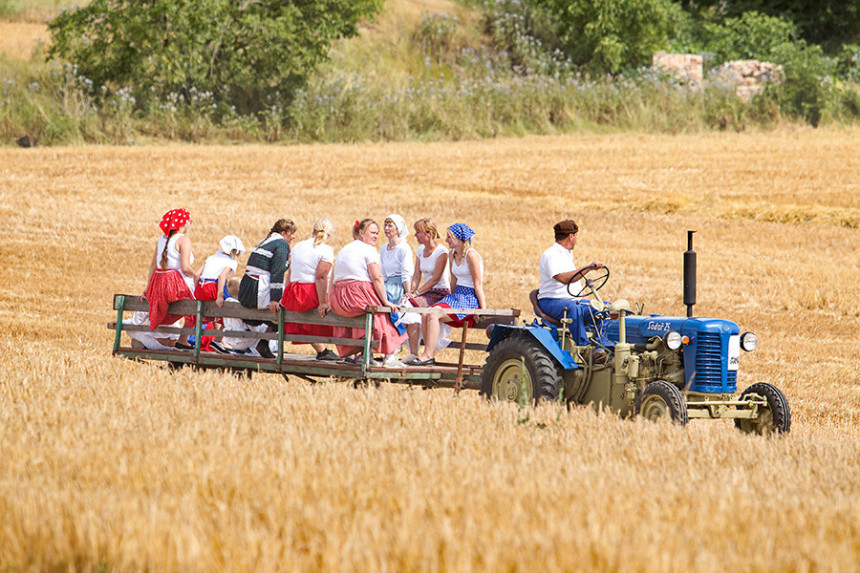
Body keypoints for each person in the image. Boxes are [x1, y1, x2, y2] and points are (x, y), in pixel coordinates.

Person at [329, 218, 407, 366]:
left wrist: (328, 302)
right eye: (372, 233)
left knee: (367, 315)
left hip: (339, 298)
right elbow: (377, 277)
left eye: (377, 233)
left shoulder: (344, 249)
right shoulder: (369, 250)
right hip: (357, 294)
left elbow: (333, 277)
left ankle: (364, 354)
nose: (376, 236)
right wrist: (386, 301)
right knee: (383, 312)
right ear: (361, 233)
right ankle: (390, 355)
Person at [406, 223, 485, 366]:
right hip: (456, 296)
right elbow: (453, 281)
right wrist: (449, 300)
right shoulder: (452, 254)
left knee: (434, 314)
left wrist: (482, 309)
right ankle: (426, 354)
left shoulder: (471, 255)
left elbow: (478, 284)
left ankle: (428, 355)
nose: (446, 240)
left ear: (459, 238)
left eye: (450, 237)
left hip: (469, 298)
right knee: (426, 313)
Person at [537, 219, 607, 347]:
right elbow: (564, 279)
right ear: (571, 236)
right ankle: (584, 346)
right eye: (575, 236)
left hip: (572, 300)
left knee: (605, 309)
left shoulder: (566, 254)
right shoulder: (551, 255)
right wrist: (588, 268)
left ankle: (604, 346)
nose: (576, 239)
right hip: (551, 301)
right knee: (573, 309)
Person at [280, 217, 340, 361]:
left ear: (312, 230)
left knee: (305, 320)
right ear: (329, 235)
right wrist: (323, 302)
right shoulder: (326, 250)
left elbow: (290, 273)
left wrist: (286, 296)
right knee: (338, 310)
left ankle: (322, 351)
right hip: (309, 293)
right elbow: (320, 277)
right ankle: (350, 352)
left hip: (294, 292)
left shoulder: (297, 247)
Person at [143, 208, 199, 347]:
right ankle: (183, 339)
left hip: (159, 283)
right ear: (182, 223)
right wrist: (198, 276)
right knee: (198, 302)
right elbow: (185, 268)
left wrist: (148, 287)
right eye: (189, 221)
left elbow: (153, 267)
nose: (189, 224)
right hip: (175, 284)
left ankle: (168, 339)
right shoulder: (183, 240)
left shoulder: (161, 240)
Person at [404, 217, 451, 358]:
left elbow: (436, 278)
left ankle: (424, 353)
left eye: (418, 232)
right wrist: (411, 292)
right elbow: (417, 275)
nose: (415, 235)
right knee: (405, 303)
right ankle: (412, 351)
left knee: (416, 308)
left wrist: (417, 293)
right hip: (426, 291)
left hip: (439, 292)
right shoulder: (420, 251)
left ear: (429, 234)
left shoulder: (441, 252)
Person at [193, 235, 246, 352]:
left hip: (200, 288)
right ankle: (218, 340)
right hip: (213, 287)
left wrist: (197, 291)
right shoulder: (231, 262)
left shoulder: (211, 258)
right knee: (227, 308)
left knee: (215, 312)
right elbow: (222, 277)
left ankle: (219, 341)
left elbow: (196, 275)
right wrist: (219, 296)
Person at [239, 219, 296, 313]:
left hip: (247, 289)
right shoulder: (281, 244)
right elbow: (277, 273)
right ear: (283, 233)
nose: (293, 237)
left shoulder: (266, 241)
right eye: (291, 233)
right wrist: (275, 299)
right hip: (257, 292)